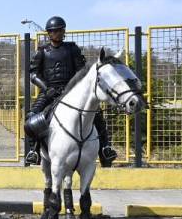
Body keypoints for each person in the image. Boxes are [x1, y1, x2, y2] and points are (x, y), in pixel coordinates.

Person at [25, 16, 117, 167]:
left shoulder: (72, 49)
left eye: (61, 30)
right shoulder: (41, 52)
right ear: (49, 33)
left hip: (72, 91)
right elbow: (33, 74)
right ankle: (34, 151)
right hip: (49, 91)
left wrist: (74, 87)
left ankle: (105, 149)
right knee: (32, 116)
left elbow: (81, 70)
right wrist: (46, 88)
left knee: (97, 115)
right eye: (56, 31)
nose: (59, 33)